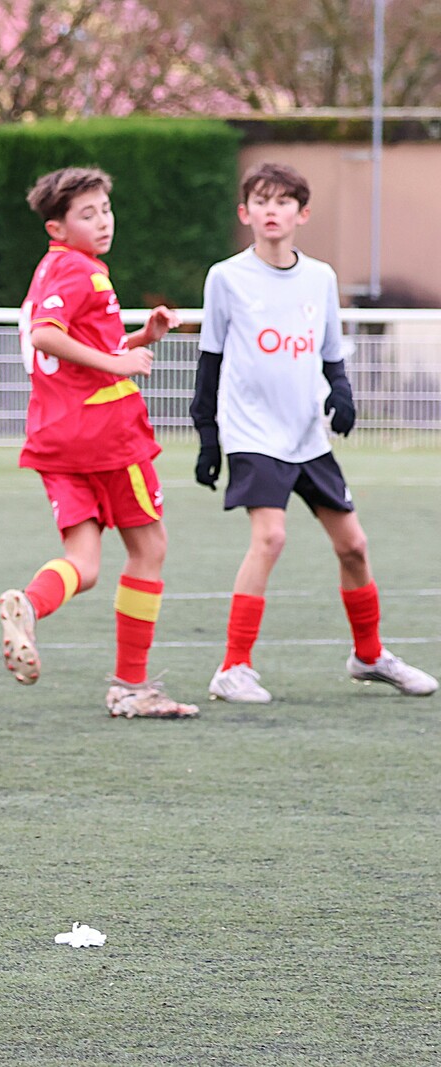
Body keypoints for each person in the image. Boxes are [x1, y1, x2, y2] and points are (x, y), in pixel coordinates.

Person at [191, 161, 436, 703]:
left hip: (307, 437)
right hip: (253, 434)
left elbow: (330, 353)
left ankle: (369, 656)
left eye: (283, 201)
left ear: (302, 214)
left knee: (354, 546)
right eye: (261, 201)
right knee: (270, 537)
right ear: (245, 213)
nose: (271, 211)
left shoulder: (320, 277)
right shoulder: (226, 277)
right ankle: (232, 668)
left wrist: (341, 394)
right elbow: (210, 360)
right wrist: (208, 436)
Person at [0, 167, 199, 719]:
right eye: (88, 215)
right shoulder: (79, 269)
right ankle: (132, 686)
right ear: (57, 228)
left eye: (105, 209)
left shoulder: (51, 269)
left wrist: (141, 339)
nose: (104, 221)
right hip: (106, 435)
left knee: (82, 563)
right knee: (148, 550)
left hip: (55, 437)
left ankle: (30, 604)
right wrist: (118, 363)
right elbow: (47, 336)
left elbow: (74, 346)